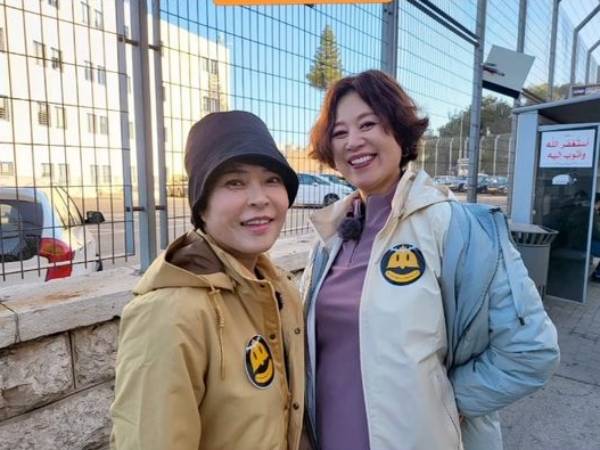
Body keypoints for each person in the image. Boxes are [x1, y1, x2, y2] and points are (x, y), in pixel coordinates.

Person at [301, 70, 559, 450]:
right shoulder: (329, 238)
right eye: (339, 132)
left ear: (399, 130)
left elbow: (531, 350)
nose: (353, 141)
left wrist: (444, 404)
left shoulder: (457, 229)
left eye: (368, 124)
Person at [110, 111, 306, 450]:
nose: (260, 198)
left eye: (272, 179)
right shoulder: (168, 314)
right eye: (235, 182)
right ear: (201, 206)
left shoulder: (280, 288)